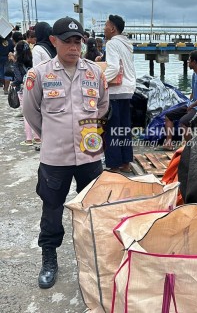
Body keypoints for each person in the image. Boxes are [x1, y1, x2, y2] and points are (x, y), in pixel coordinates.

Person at [23, 17, 109, 289]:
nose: (74, 47)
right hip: (55, 159)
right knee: (52, 210)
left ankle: (93, 258)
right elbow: (31, 113)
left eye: (77, 41)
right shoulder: (38, 75)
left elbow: (103, 107)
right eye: (67, 41)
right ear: (53, 41)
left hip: (90, 157)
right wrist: (52, 135)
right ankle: (49, 258)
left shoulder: (95, 73)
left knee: (92, 209)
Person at [103, 14, 136, 173]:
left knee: (112, 129)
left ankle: (114, 165)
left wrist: (100, 82)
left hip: (116, 91)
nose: (104, 28)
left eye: (105, 25)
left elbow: (114, 68)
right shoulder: (127, 44)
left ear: (112, 28)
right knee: (124, 129)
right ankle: (126, 163)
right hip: (128, 90)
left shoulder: (111, 44)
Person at [163, 50, 197, 149]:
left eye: (189, 60)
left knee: (183, 122)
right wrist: (189, 103)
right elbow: (194, 92)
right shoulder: (195, 74)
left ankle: (191, 148)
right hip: (193, 105)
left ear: (194, 62)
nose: (187, 62)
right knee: (168, 116)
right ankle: (168, 143)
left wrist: (192, 106)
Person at [11, 40, 40, 146]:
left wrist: (13, 83)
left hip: (23, 90)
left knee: (26, 114)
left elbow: (18, 78)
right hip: (34, 88)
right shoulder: (32, 60)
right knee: (36, 112)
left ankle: (28, 139)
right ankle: (37, 137)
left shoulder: (17, 63)